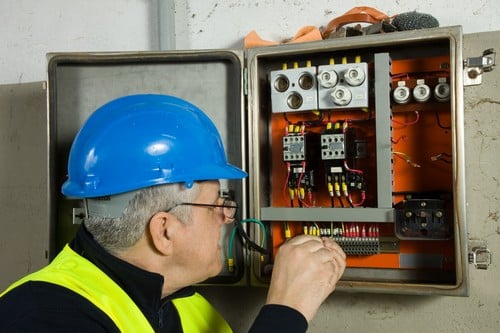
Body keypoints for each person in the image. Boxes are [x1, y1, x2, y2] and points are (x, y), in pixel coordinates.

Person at [0, 94, 346, 332]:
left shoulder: (183, 304)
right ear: (164, 231)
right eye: (217, 204)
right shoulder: (38, 318)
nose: (228, 217)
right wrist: (286, 311)